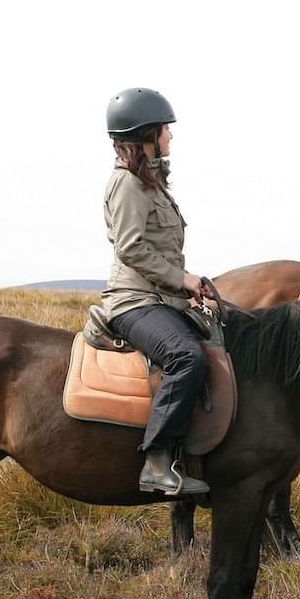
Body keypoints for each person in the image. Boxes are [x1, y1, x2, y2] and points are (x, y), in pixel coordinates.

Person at [101, 88, 211, 496]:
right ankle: (157, 460)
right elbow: (130, 248)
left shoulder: (151, 184)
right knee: (186, 358)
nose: (170, 138)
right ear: (147, 135)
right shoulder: (128, 185)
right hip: (134, 302)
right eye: (165, 130)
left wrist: (190, 290)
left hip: (163, 298)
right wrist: (182, 280)